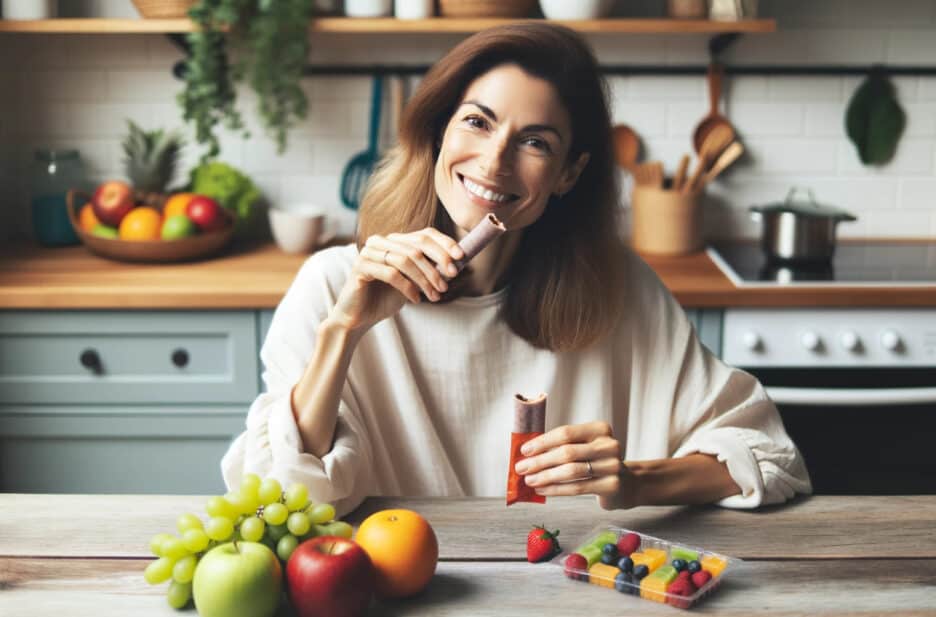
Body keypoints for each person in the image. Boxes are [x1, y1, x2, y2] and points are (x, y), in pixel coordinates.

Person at [222, 23, 811, 516]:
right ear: (439, 130)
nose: (494, 161)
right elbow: (277, 495)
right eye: (477, 122)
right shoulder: (334, 285)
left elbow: (769, 456)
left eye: (534, 142)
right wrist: (343, 332)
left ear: (567, 175)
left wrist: (635, 482)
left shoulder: (619, 290)